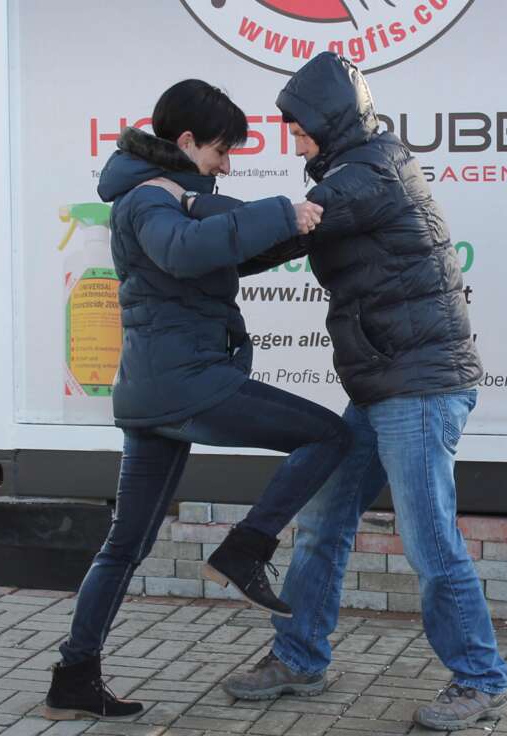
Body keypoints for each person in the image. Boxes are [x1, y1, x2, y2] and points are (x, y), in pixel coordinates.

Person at [168, 54, 507, 732]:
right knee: (326, 519)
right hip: (384, 384)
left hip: (417, 387)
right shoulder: (356, 170)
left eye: (298, 130)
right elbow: (275, 232)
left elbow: (279, 232)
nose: (292, 142)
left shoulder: (365, 177)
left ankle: (480, 678)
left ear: (329, 120)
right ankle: (300, 657)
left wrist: (181, 207)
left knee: (429, 540)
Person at [41, 79, 353, 722]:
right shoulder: (148, 199)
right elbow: (184, 253)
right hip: (185, 385)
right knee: (330, 436)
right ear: (185, 141)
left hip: (158, 393)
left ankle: (73, 677)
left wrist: (298, 231)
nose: (226, 163)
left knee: (124, 546)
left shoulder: (175, 196)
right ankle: (247, 548)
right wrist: (276, 213)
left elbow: (220, 257)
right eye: (220, 150)